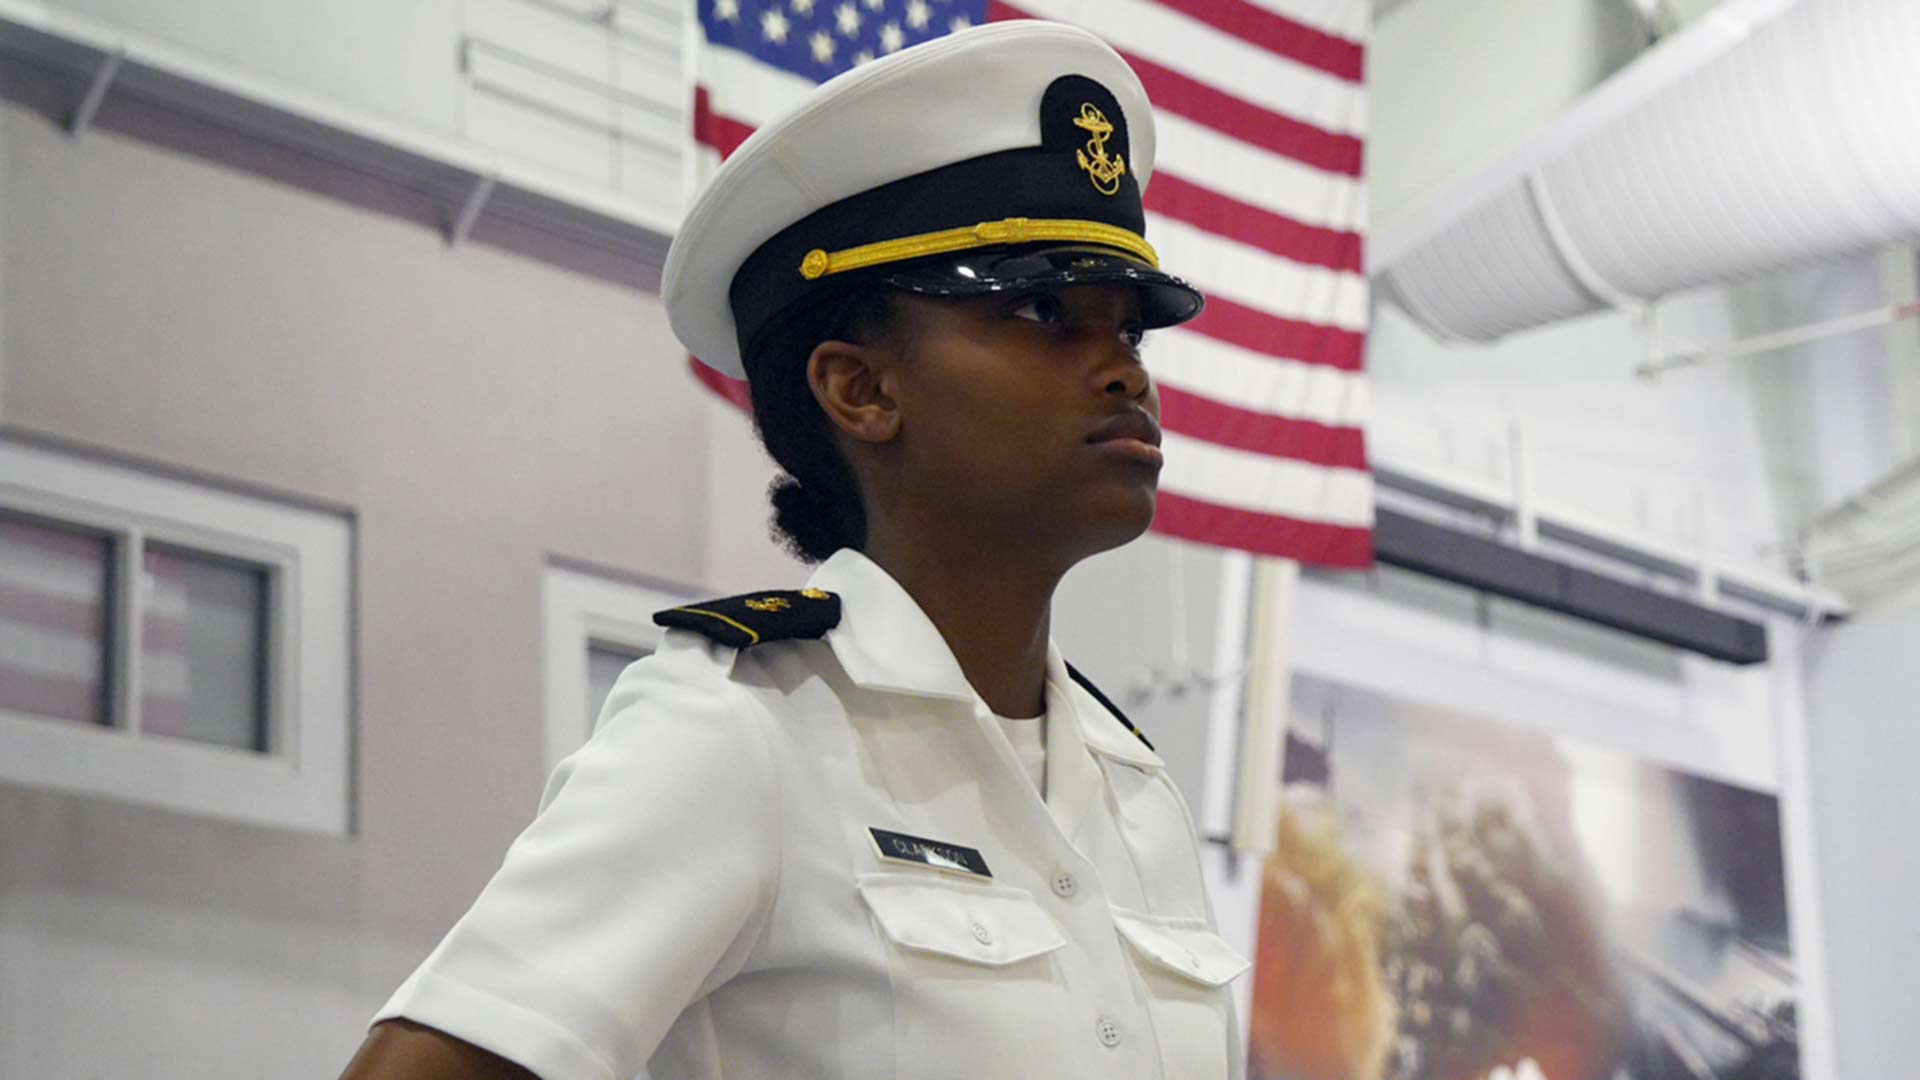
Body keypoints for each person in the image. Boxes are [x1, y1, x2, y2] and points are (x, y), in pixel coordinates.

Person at [340, 19, 1246, 1080]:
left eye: (1129, 328)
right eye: (1042, 309)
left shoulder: (1135, 788)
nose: (1123, 371)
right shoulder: (741, 730)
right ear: (860, 389)